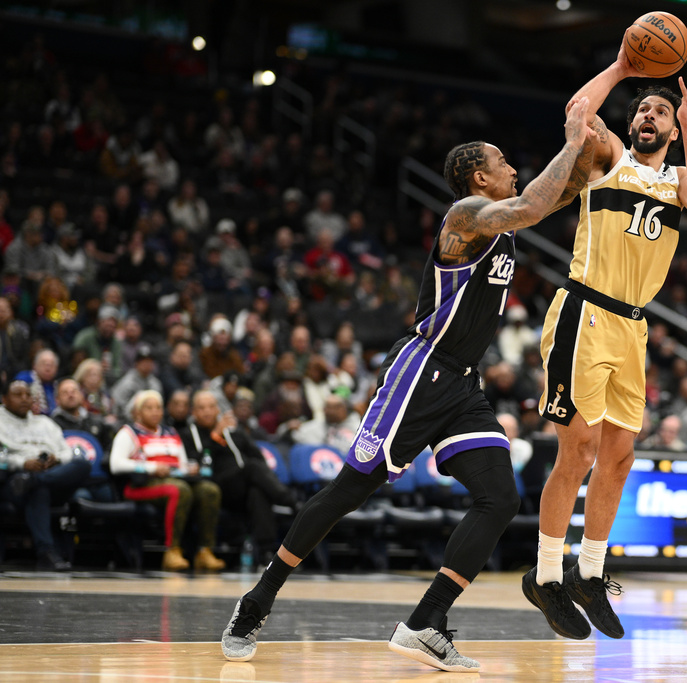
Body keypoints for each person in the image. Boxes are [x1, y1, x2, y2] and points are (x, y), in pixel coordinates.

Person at [220, 99, 595, 672]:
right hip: (421, 373)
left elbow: (559, 193)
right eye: (502, 162)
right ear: (479, 178)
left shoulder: (505, 215)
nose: (513, 168)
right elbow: (534, 204)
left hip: (462, 385)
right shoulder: (466, 216)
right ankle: (256, 602)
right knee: (347, 493)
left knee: (500, 497)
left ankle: (426, 622)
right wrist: (570, 143)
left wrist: (597, 154)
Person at [526, 37, 687, 641]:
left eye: (660, 111)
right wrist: (620, 69)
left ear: (671, 129)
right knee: (578, 450)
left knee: (619, 456)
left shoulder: (677, 179)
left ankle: (589, 573)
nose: (649, 116)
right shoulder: (610, 159)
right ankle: (545, 575)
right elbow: (578, 117)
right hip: (584, 310)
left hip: (632, 326)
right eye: (643, 110)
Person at [108, 389, 225, 572]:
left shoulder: (170, 432)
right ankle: (172, 551)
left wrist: (189, 468)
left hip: (173, 479)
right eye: (149, 408)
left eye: (158, 408)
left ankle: (205, 551)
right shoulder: (128, 433)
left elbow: (182, 462)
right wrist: (152, 467)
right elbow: (115, 464)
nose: (155, 412)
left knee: (209, 490)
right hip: (140, 485)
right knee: (179, 490)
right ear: (138, 412)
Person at [183, 391, 297, 566]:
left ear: (218, 410)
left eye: (211, 407)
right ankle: (292, 504)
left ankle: (266, 552)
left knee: (257, 492)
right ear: (194, 412)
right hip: (214, 487)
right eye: (201, 408)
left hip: (243, 484)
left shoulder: (235, 431)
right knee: (252, 468)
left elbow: (258, 456)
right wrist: (215, 436)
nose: (207, 412)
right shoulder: (188, 434)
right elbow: (196, 464)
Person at [0, 379, 91, 570]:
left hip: (50, 475)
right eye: (18, 395)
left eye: (28, 395)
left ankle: (35, 480)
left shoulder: (45, 422)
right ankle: (46, 552)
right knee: (38, 491)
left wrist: (56, 459)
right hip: (14, 480)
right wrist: (23, 463)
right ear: (4, 399)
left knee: (82, 464)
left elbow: (67, 452)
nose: (24, 399)